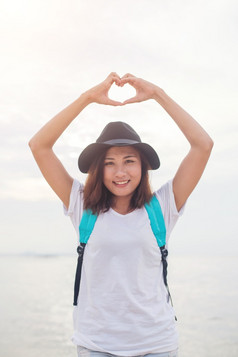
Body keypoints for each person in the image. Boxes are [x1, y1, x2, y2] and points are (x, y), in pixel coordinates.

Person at [29, 72, 213, 357]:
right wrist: (87, 98)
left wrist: (158, 94)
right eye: (110, 163)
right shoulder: (82, 206)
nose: (120, 172)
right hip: (96, 346)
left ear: (143, 167)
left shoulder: (162, 207)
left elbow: (203, 145)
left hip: (157, 345)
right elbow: (39, 146)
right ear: (98, 170)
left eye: (129, 161)